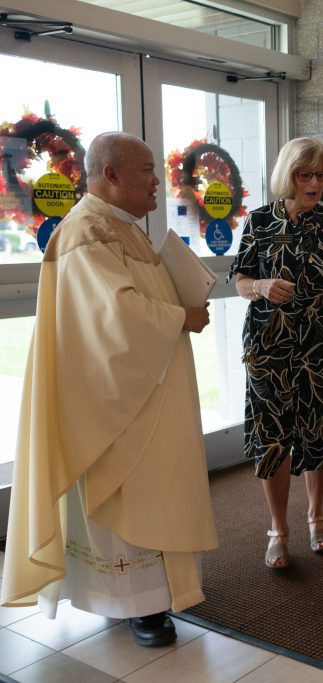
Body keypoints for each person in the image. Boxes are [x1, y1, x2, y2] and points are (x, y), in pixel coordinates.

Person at [1, 132, 218, 647]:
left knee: (156, 489)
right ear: (111, 173)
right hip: (117, 404)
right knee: (130, 496)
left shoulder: (121, 227)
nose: (157, 180)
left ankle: (156, 593)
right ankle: (137, 603)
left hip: (149, 389)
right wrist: (181, 316)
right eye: (146, 169)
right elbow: (114, 316)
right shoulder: (85, 232)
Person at [229, 137, 323, 569]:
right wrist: (261, 286)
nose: (314, 183)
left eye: (320, 175)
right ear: (288, 176)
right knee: (272, 438)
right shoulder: (259, 221)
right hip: (269, 347)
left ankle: (317, 515)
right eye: (305, 175)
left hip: (321, 345)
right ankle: (278, 529)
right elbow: (240, 281)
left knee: (319, 431)